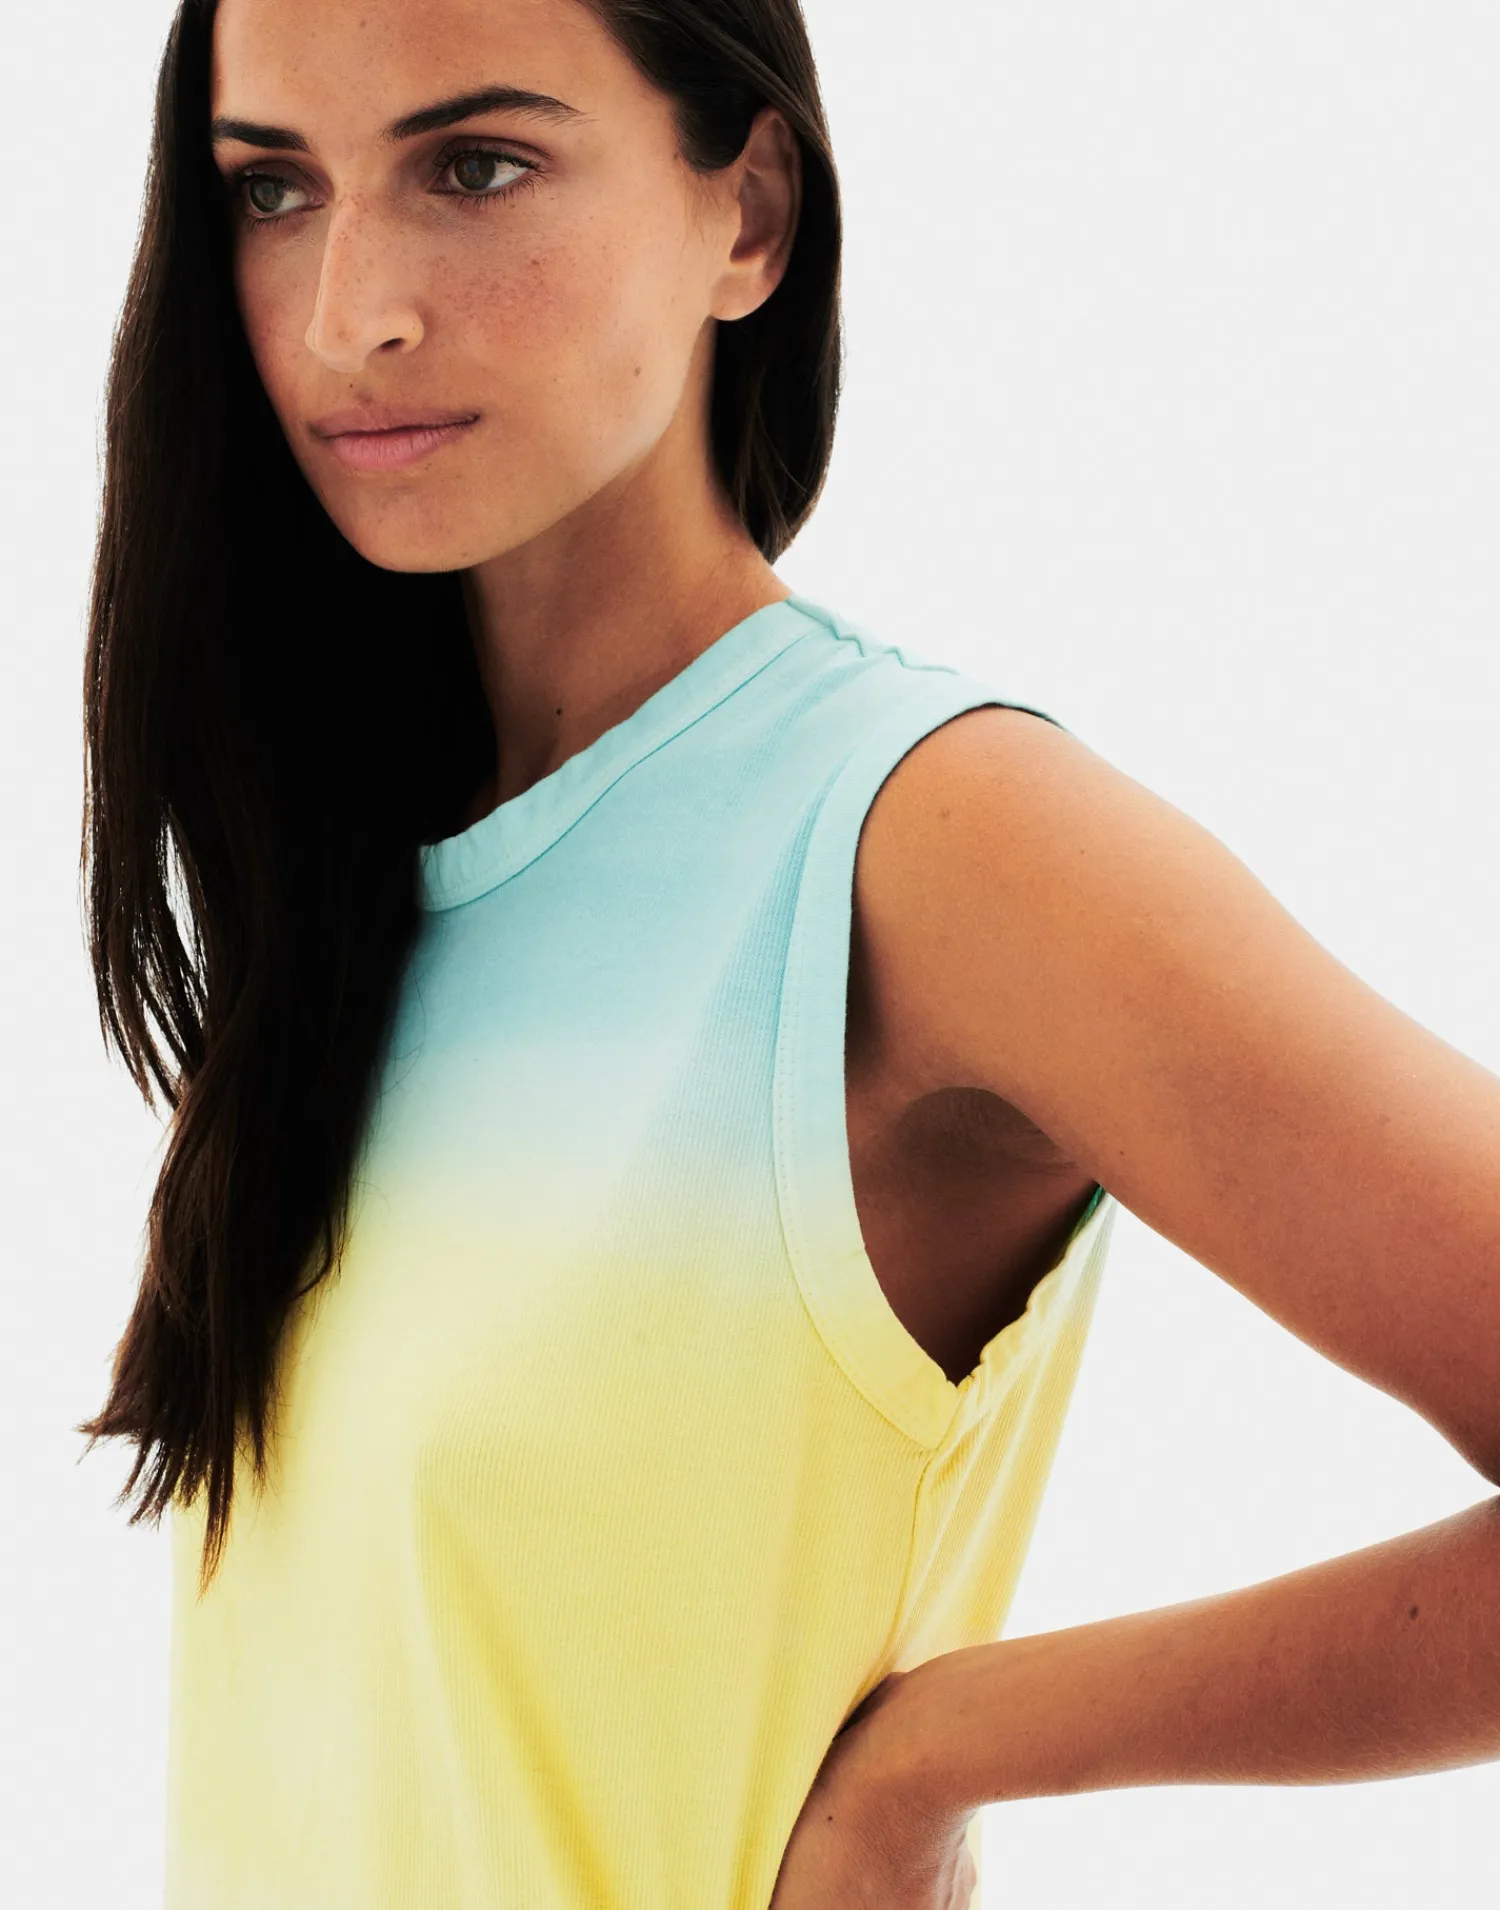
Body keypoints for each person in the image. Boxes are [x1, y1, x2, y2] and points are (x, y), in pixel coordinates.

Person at [75, 1, 1500, 1906]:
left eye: (475, 166)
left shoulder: (929, 841)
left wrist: (946, 1754)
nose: (350, 315)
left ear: (746, 214)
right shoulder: (345, 865)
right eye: (273, 190)